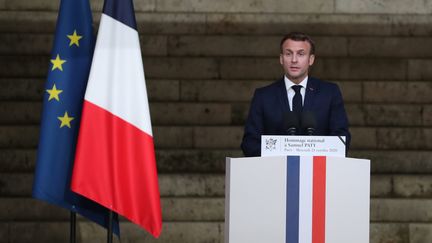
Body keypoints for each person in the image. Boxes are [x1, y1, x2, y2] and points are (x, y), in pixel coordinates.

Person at [241, 32, 351, 157]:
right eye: (288, 54)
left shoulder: (329, 93)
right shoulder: (263, 96)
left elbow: (341, 139)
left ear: (311, 59)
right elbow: (250, 142)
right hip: (275, 172)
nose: (294, 60)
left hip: (318, 172)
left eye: (301, 54)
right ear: (281, 59)